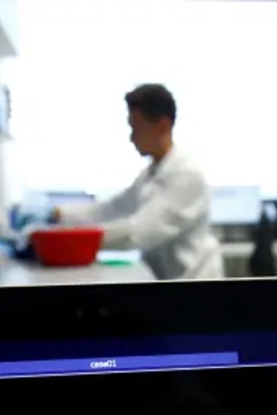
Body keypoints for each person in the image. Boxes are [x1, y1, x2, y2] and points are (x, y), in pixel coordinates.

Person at [55, 84, 224, 280]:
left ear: (162, 126)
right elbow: (111, 209)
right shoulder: (150, 175)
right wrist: (63, 214)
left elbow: (139, 233)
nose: (131, 137)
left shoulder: (186, 175)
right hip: (167, 281)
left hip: (194, 282)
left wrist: (74, 241)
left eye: (136, 128)